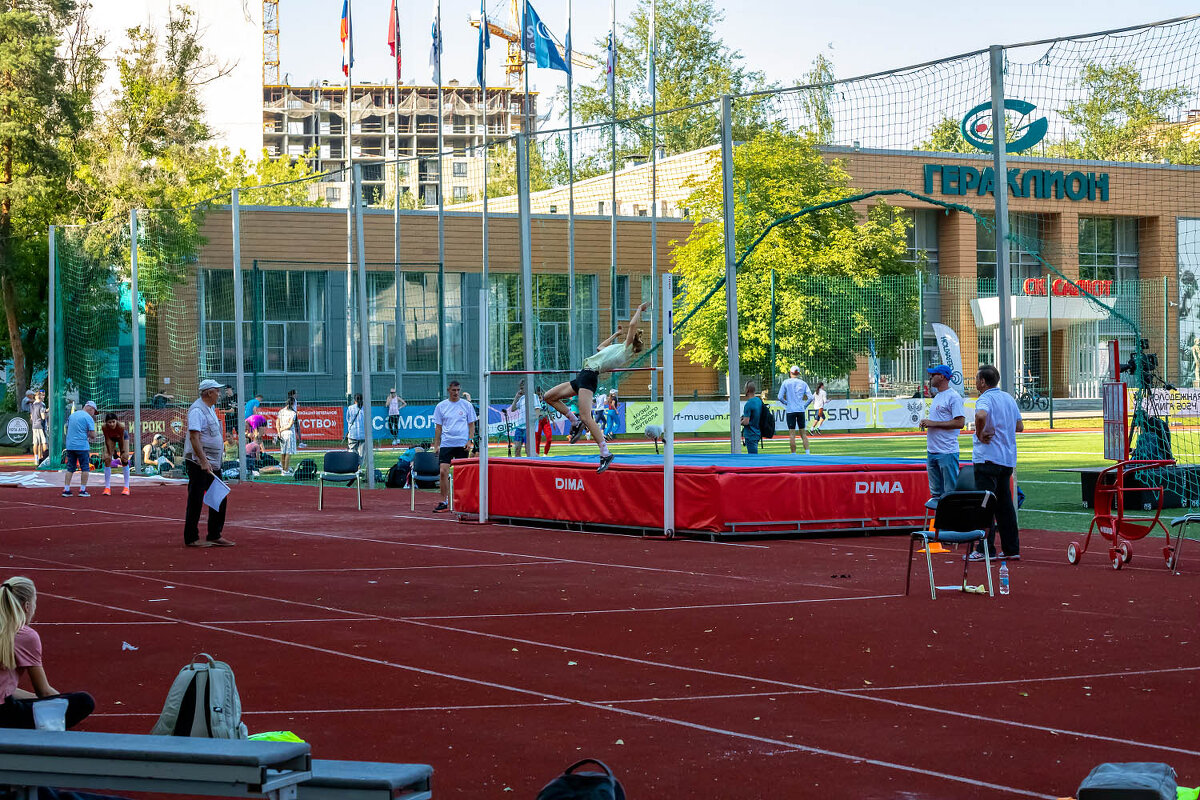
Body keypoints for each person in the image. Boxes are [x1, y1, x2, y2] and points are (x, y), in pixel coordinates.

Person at [543, 301, 650, 474]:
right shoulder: (617, 348)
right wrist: (616, 334)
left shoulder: (625, 351)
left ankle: (605, 452)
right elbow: (600, 347)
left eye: (628, 338)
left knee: (587, 416)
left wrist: (639, 309)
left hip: (589, 377)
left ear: (632, 346)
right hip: (582, 375)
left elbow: (632, 325)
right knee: (549, 396)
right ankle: (574, 421)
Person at [0, 576, 95, 729]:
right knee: (84, 701)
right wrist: (57, 703)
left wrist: (33, 699)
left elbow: (4, 690)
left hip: (5, 705)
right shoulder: (25, 636)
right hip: (5, 715)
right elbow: (43, 691)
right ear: (27, 606)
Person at [969, 365, 1024, 562]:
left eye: (977, 379)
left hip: (987, 459)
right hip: (1006, 459)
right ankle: (1011, 548)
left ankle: (985, 548)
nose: (975, 382)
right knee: (1005, 506)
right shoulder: (1008, 398)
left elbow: (981, 415)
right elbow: (1019, 426)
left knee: (985, 504)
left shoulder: (985, 398)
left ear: (983, 382)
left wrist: (979, 432)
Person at [182, 379, 235, 548]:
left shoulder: (210, 409)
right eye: (217, 391)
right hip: (200, 463)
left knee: (218, 495)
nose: (219, 394)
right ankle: (191, 537)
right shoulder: (197, 410)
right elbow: (194, 437)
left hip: (212, 462)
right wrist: (203, 460)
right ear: (209, 393)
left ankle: (214, 534)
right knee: (196, 499)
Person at [919, 365, 966, 501]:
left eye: (933, 374)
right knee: (935, 495)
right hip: (933, 451)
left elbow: (960, 423)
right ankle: (939, 522)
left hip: (946, 452)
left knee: (950, 495)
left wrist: (933, 423)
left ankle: (950, 522)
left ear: (942, 376)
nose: (931, 377)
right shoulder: (939, 396)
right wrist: (928, 422)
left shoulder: (953, 397)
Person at [431, 381, 477, 512]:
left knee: (462, 474)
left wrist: (469, 441)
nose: (456, 393)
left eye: (458, 390)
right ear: (448, 390)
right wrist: (436, 445)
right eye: (453, 390)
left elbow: (471, 425)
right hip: (447, 443)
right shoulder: (441, 406)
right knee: (443, 471)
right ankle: (444, 501)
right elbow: (438, 428)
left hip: (462, 444)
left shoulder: (467, 405)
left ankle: (462, 500)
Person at [61, 401, 98, 498]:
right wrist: (94, 435)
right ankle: (82, 489)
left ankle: (66, 489)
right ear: (90, 408)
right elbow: (92, 435)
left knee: (70, 468)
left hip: (70, 446)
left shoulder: (72, 416)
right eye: (94, 410)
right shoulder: (88, 418)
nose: (93, 413)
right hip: (82, 446)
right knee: (85, 468)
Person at [777, 366, 812, 455]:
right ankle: (807, 453)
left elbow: (780, 397)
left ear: (790, 372)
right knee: (803, 433)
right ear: (798, 373)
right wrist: (804, 406)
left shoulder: (786, 382)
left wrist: (786, 403)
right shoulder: (803, 383)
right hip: (800, 410)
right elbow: (810, 397)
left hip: (790, 410)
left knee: (792, 434)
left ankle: (793, 454)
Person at [100, 413, 132, 497]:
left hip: (122, 438)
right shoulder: (104, 427)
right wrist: (109, 453)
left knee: (124, 458)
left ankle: (126, 487)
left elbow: (121, 440)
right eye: (109, 422)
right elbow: (107, 439)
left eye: (113, 422)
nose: (112, 424)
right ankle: (107, 488)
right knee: (107, 458)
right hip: (111, 438)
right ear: (106, 423)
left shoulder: (121, 426)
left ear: (116, 421)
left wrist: (122, 452)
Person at [508, 381, 539, 458]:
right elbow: (513, 409)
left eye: (522, 388)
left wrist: (533, 423)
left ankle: (539, 462)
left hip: (528, 428)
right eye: (520, 388)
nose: (520, 390)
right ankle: (518, 467)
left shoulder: (533, 396)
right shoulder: (521, 398)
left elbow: (537, 410)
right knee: (517, 449)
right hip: (520, 427)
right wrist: (516, 397)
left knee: (528, 450)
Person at [739, 381, 765, 454]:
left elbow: (746, 422)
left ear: (747, 390)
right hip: (757, 432)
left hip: (750, 434)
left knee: (753, 456)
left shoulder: (748, 404)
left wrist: (740, 422)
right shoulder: (758, 401)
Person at [276, 397, 297, 475]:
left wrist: (279, 432)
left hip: (282, 433)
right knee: (288, 452)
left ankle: (283, 469)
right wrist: (281, 430)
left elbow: (277, 423)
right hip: (288, 433)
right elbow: (289, 425)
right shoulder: (293, 413)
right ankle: (286, 470)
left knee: (283, 451)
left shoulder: (280, 411)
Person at [345, 394, 366, 459]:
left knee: (352, 452)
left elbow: (348, 419)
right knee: (362, 453)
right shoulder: (365, 408)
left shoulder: (350, 408)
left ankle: (352, 466)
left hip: (353, 434)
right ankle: (359, 467)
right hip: (363, 433)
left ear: (355, 400)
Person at [30, 390, 47, 467]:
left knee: (35, 443)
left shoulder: (33, 405)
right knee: (44, 442)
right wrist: (47, 414)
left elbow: (31, 416)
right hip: (40, 425)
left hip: (34, 425)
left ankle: (36, 459)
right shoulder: (41, 405)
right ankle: (45, 459)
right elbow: (43, 416)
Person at [534, 388, 553, 456]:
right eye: (538, 393)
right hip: (538, 421)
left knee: (549, 438)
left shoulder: (545, 401)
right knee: (537, 440)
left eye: (540, 393)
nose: (539, 394)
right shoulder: (534, 401)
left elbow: (549, 411)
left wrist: (553, 421)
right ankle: (537, 454)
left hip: (546, 420)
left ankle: (545, 454)